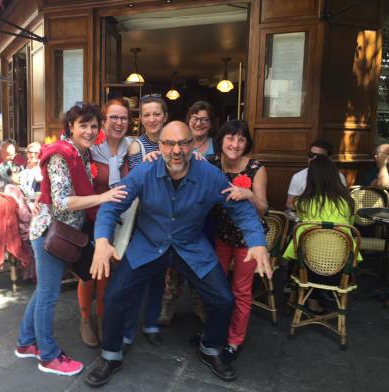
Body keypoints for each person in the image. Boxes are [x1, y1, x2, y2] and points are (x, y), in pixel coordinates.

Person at [85, 121, 270, 387]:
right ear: (159, 146)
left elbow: (240, 210)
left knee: (223, 299)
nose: (176, 150)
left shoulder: (210, 175)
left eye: (183, 143)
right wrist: (102, 240)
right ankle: (111, 355)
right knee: (115, 295)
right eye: (169, 143)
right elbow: (112, 205)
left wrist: (256, 241)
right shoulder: (144, 173)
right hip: (148, 246)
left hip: (190, 247)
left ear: (193, 144)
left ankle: (211, 349)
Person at [15, 103, 127, 376]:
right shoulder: (61, 155)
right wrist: (102, 197)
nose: (89, 131)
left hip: (63, 233)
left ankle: (26, 342)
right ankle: (49, 355)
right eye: (83, 126)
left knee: (44, 291)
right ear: (71, 128)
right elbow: (62, 201)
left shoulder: (80, 153)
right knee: (49, 295)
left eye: (92, 126)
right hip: (51, 233)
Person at [210, 119, 268, 362]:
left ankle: (234, 340)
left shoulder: (256, 167)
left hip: (247, 239)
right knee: (215, 286)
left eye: (241, 139)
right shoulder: (212, 164)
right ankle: (215, 332)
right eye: (230, 138)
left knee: (241, 290)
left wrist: (250, 195)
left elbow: (263, 209)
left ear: (246, 143)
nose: (235, 143)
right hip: (219, 234)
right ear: (221, 140)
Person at [77, 98, 132, 348]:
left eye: (124, 118)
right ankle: (85, 319)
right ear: (103, 120)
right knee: (89, 273)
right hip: (91, 219)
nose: (119, 123)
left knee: (108, 274)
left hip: (120, 222)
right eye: (114, 117)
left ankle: (102, 317)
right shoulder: (89, 148)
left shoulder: (131, 149)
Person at [159, 101, 217, 326]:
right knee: (173, 261)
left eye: (204, 119)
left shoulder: (217, 145)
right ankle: (169, 302)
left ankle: (198, 302)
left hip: (205, 213)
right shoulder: (175, 145)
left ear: (211, 123)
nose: (199, 123)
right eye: (195, 118)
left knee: (198, 258)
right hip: (177, 210)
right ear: (188, 120)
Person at [283, 155, 361, 302]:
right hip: (342, 270)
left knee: (298, 240)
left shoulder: (303, 203)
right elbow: (351, 226)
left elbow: (293, 208)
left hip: (308, 270)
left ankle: (307, 297)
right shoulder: (348, 202)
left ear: (311, 178)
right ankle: (327, 297)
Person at [125, 94, 169, 348]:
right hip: (142, 222)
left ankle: (151, 322)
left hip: (165, 222)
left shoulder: (175, 143)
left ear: (165, 116)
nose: (152, 119)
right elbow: (134, 186)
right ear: (141, 118)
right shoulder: (136, 147)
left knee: (158, 277)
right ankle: (128, 330)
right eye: (147, 114)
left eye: (157, 114)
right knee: (135, 277)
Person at [286, 139, 346, 210]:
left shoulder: (339, 177)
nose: (313, 159)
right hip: (305, 218)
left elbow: (343, 203)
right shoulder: (298, 177)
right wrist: (308, 210)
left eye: (319, 156)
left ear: (329, 158)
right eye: (311, 155)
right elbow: (289, 203)